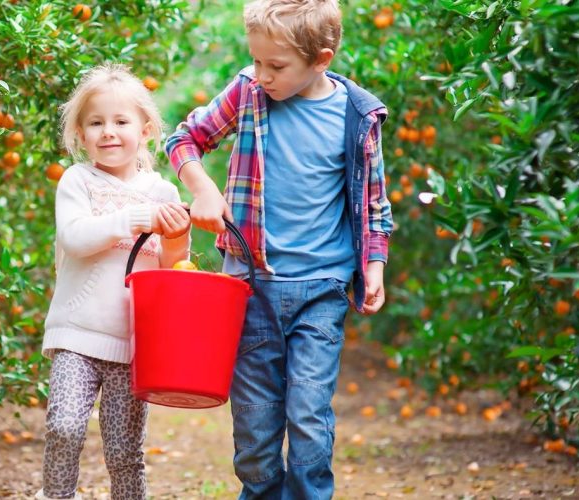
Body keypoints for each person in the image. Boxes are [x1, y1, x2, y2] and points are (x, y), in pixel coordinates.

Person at [164, 0, 394, 497]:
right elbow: (183, 139)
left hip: (322, 289)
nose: (262, 73)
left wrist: (373, 263)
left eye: (276, 65)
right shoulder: (248, 91)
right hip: (250, 289)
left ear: (321, 60)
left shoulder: (358, 117)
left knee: (309, 416)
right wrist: (203, 190)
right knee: (255, 430)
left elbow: (374, 202)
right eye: (257, 60)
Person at [38, 63, 191, 500]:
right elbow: (75, 237)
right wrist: (131, 218)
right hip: (76, 336)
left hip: (133, 343)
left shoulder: (163, 192)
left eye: (121, 121)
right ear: (81, 134)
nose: (109, 131)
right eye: (96, 123)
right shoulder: (77, 181)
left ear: (144, 130)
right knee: (64, 427)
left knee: (125, 451)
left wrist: (177, 234)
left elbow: (170, 267)